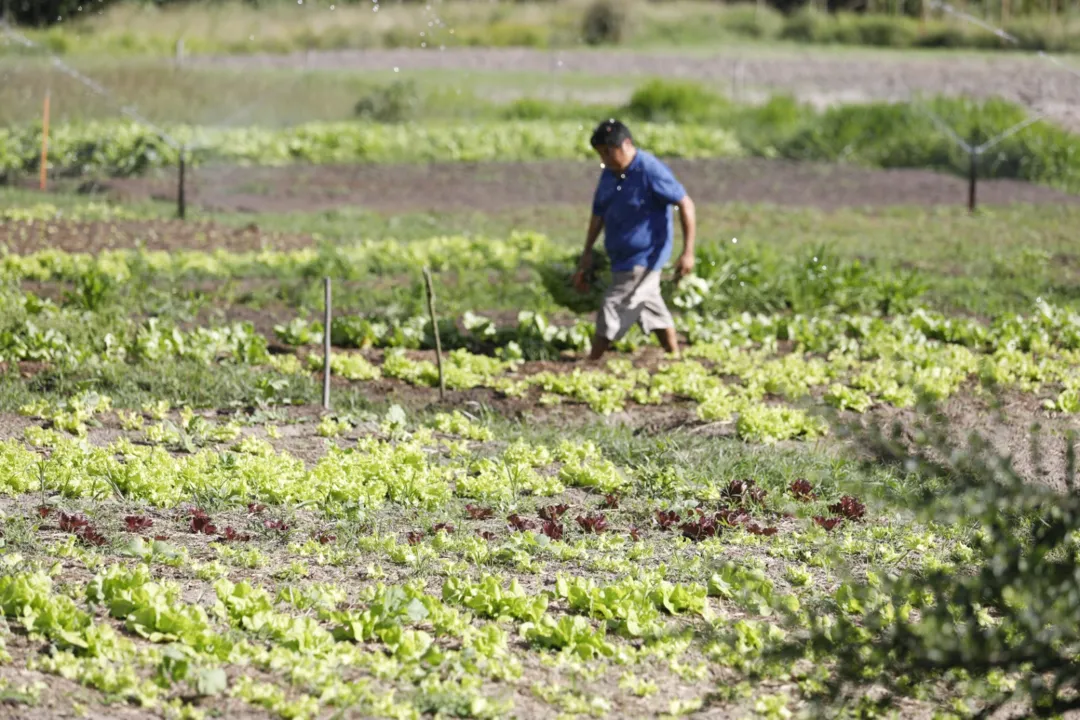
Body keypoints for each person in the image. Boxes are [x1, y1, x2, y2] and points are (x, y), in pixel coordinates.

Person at [573, 119, 696, 361]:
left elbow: (685, 203)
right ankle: (675, 357)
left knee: (613, 304)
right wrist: (587, 253)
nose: (605, 159)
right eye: (601, 154)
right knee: (651, 307)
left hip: (645, 257)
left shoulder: (649, 170)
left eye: (608, 152)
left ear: (626, 144)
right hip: (621, 257)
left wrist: (687, 251)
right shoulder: (609, 174)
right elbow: (598, 214)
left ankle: (593, 361)